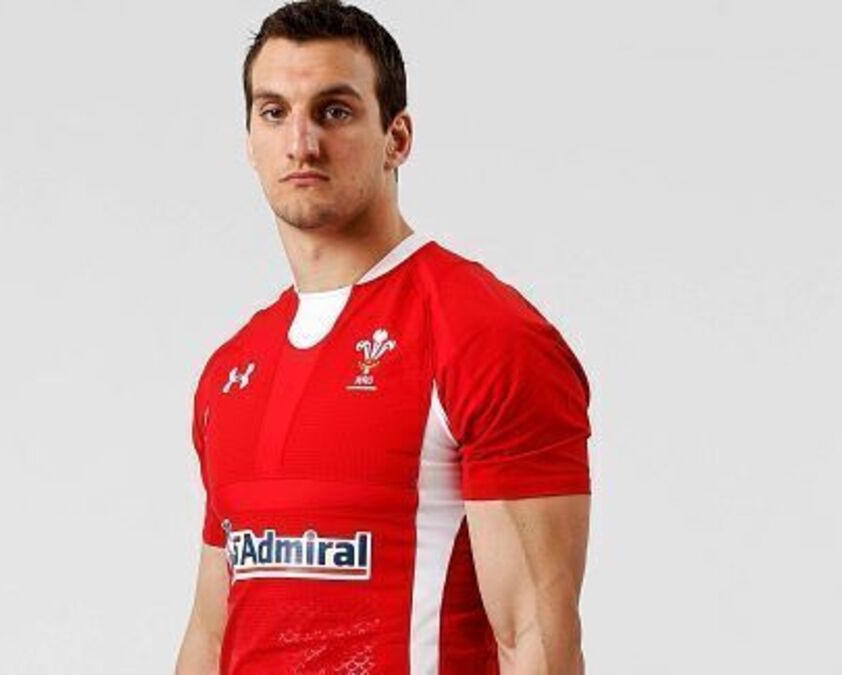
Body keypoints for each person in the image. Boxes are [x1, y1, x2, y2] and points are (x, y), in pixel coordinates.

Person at [175, 2, 592, 673]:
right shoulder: (233, 367)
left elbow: (536, 639)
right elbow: (209, 631)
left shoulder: (485, 335)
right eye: (274, 112)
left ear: (397, 137)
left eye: (334, 111)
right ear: (249, 140)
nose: (301, 142)